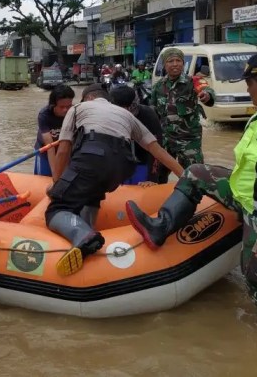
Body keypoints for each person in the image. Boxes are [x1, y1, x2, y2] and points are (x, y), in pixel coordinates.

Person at [126, 52, 257, 329]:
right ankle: (160, 226)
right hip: (246, 196)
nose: (246, 89)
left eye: (249, 84)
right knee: (195, 172)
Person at [46, 84, 184, 276]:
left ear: (88, 99)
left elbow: (63, 149)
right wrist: (185, 176)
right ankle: (89, 238)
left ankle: (82, 235)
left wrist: (56, 184)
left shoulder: (78, 108)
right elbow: (157, 150)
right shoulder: (125, 114)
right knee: (93, 193)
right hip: (123, 167)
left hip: (92, 156)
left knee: (56, 208)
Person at [151, 48, 215, 183]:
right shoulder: (158, 87)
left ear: (183, 63)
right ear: (164, 65)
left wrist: (206, 96)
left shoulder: (194, 81)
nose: (175, 64)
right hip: (166, 142)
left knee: (195, 178)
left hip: (189, 141)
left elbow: (206, 91)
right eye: (170, 61)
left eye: (178, 61)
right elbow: (153, 113)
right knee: (157, 178)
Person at [110, 85, 163, 185]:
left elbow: (157, 148)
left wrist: (152, 178)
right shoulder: (107, 114)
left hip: (142, 162)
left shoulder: (148, 115)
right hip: (118, 163)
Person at [34, 85, 75, 177]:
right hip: (45, 151)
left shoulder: (74, 113)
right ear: (53, 104)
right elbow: (50, 146)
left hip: (64, 150)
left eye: (69, 106)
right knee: (46, 179)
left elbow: (71, 142)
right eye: (61, 107)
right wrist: (55, 175)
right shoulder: (44, 115)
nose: (66, 110)